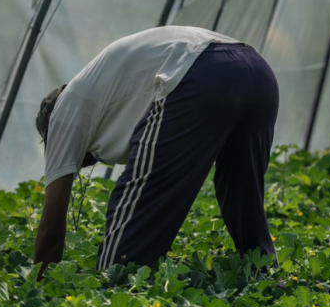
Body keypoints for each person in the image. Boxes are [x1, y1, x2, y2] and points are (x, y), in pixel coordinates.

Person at [31, 26, 279, 277]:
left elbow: (51, 226)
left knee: (131, 225)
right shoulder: (97, 92)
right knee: (240, 191)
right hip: (258, 72)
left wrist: (40, 285)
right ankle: (266, 277)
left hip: (201, 72)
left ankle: (117, 285)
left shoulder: (62, 116)